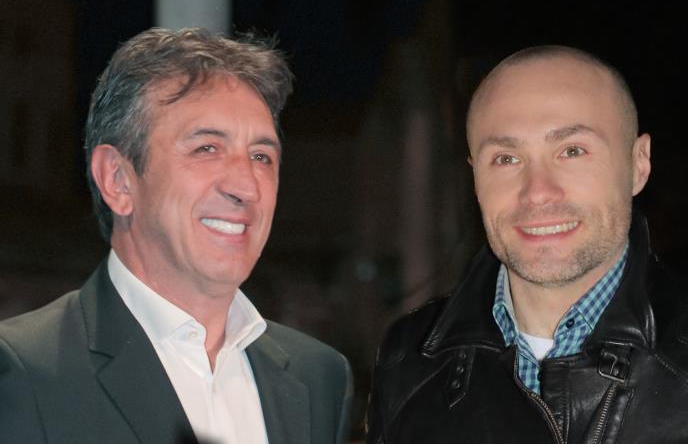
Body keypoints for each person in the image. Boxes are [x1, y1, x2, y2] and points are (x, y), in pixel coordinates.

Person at [0, 27, 352, 444]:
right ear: (117, 180)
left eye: (262, 157)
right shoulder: (24, 373)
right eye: (207, 148)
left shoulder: (319, 379)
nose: (247, 186)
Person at [366, 46, 688, 443]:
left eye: (571, 151)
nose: (537, 192)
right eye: (506, 159)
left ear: (638, 164)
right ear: (475, 177)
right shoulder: (408, 359)